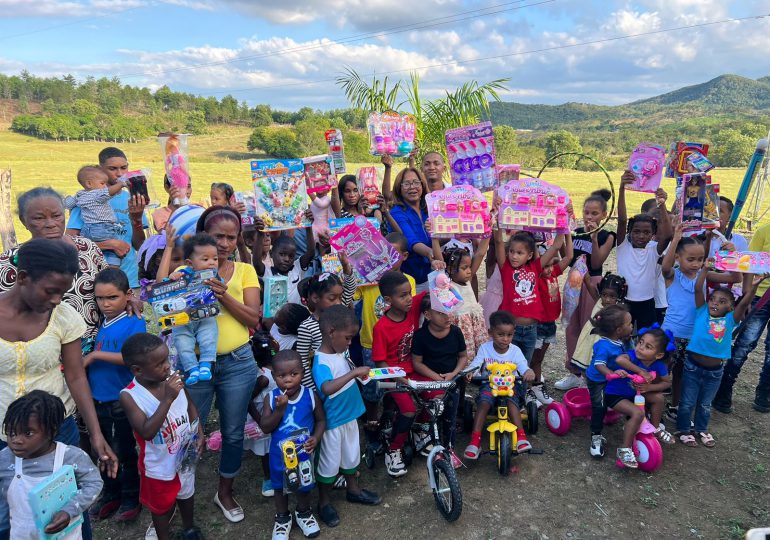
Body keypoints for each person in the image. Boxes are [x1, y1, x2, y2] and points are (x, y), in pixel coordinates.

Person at [0, 238, 118, 539]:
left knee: (66, 509)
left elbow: (76, 376)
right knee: (6, 514)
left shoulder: (63, 316)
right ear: (23, 278)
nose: (56, 300)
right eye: (50, 291)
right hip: (2, 437)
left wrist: (95, 433)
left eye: (62, 292)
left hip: (57, 430)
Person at [190, 206, 261, 522]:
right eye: (217, 236)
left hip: (238, 362)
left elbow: (253, 318)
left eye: (231, 237)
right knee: (190, 433)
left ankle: (225, 492)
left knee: (233, 433)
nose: (224, 243)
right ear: (203, 234)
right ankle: (178, 499)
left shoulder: (245, 270)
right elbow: (166, 312)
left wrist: (221, 295)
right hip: (195, 365)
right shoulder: (186, 271)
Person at [119, 333, 205, 540]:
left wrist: (198, 431)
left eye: (166, 359)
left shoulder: (171, 376)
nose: (167, 366)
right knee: (160, 507)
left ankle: (189, 529)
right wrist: (167, 398)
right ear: (137, 370)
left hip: (184, 453)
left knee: (186, 490)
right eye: (159, 364)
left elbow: (189, 404)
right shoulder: (130, 396)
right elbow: (147, 432)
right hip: (158, 466)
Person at [0, 187, 109, 344]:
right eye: (39, 218)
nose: (50, 224)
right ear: (24, 221)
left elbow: (110, 284)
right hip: (40, 352)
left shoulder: (87, 249)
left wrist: (129, 298)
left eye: (57, 216)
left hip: (94, 349)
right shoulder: (9, 262)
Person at [85, 268, 145, 523]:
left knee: (125, 451)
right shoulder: (97, 323)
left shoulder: (134, 320)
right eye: (100, 299)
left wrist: (95, 356)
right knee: (103, 451)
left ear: (127, 296)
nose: (105, 304)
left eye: (112, 298)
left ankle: (131, 496)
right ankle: (111, 493)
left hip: (121, 400)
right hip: (96, 398)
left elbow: (131, 357)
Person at [0, 391, 103, 539]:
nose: (16, 440)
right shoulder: (5, 458)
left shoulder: (70, 457)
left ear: (51, 431)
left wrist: (69, 510)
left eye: (28, 433)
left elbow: (93, 483)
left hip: (64, 535)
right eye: (11, 433)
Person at [313, 306, 381, 528]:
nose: (350, 343)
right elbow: (327, 388)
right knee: (329, 464)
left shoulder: (340, 352)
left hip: (350, 417)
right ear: (331, 332)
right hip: (333, 423)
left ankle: (353, 490)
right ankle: (323, 503)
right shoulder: (321, 360)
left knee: (352, 456)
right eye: (348, 338)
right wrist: (353, 373)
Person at [676, 270, 759, 447]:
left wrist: (755, 286)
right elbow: (698, 289)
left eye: (722, 302)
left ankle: (701, 429)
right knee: (687, 402)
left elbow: (744, 304)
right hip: (692, 366)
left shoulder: (731, 319)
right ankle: (684, 429)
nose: (715, 303)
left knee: (705, 404)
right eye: (713, 299)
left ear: (730, 307)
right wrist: (705, 270)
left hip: (715, 372)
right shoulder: (702, 312)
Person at [661, 227, 736, 421]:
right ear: (678, 257)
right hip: (671, 333)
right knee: (661, 371)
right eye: (691, 259)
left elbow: (735, 278)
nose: (696, 264)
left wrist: (731, 254)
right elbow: (665, 267)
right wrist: (676, 237)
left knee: (681, 374)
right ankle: (652, 406)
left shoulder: (704, 275)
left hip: (694, 336)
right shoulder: (673, 276)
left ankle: (675, 406)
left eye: (700, 259)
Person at [355, 232, 414, 454]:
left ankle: (389, 421)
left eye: (393, 252)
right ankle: (372, 426)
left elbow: (412, 308)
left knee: (394, 389)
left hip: (398, 348)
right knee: (373, 391)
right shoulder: (367, 280)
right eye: (383, 251)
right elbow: (350, 294)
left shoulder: (410, 282)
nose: (387, 257)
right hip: (371, 344)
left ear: (403, 255)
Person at [260, 350, 326, 539]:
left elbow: (321, 420)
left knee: (304, 484)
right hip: (279, 455)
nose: (288, 380)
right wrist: (279, 410)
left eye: (293, 374)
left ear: (303, 373)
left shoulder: (310, 396)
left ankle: (303, 513)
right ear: (274, 376)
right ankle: (282, 518)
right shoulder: (271, 398)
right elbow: (265, 427)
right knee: (279, 487)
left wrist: (316, 437)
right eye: (282, 376)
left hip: (303, 453)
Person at [556, 189, 616, 391]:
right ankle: (573, 372)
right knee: (572, 327)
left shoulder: (608, 236)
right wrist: (565, 226)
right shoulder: (578, 230)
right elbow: (568, 256)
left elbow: (598, 261)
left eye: (594, 213)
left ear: (604, 215)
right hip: (574, 282)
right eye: (586, 212)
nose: (589, 217)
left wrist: (594, 238)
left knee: (587, 328)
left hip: (593, 284)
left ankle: (587, 374)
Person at [66, 147, 148, 290]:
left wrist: (137, 220)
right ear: (101, 170)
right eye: (112, 168)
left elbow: (139, 246)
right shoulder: (87, 200)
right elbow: (69, 243)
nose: (120, 173)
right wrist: (110, 244)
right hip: (95, 282)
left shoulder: (132, 198)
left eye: (124, 168)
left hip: (130, 280)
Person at [371, 272, 427, 477]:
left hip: (414, 371)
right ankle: (393, 449)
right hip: (392, 377)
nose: (409, 299)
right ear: (388, 300)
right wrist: (400, 379)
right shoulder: (381, 328)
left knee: (434, 396)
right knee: (409, 409)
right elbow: (380, 362)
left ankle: (420, 432)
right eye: (403, 296)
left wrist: (438, 270)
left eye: (410, 293)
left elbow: (435, 290)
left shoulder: (411, 310)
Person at [714, 221, 770, 414]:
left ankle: (764, 392)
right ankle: (725, 389)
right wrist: (747, 297)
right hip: (760, 296)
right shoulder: (764, 231)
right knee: (745, 344)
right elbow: (749, 265)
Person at [464, 310, 534, 459]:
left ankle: (521, 437)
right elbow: (476, 365)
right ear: (491, 332)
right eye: (500, 334)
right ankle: (475, 441)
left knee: (512, 402)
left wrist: (528, 372)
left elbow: (523, 366)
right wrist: (470, 372)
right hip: (490, 385)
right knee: (483, 403)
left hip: (511, 385)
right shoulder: (485, 348)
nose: (505, 339)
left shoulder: (515, 351)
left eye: (509, 335)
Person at [604, 327, 675, 466]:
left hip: (635, 394)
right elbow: (620, 360)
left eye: (648, 346)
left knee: (658, 398)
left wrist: (650, 388)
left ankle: (655, 429)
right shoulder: (632, 356)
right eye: (640, 342)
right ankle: (625, 449)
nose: (640, 348)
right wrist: (641, 371)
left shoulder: (659, 365)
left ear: (659, 355)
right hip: (615, 395)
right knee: (637, 414)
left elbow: (667, 382)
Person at [411, 295, 468, 468]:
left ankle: (449, 448)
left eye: (449, 309)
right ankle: (428, 438)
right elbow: (417, 362)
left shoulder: (456, 332)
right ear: (428, 315)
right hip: (430, 380)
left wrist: (453, 374)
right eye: (442, 312)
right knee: (433, 412)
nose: (448, 315)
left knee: (451, 415)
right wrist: (436, 377)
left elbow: (463, 357)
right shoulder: (421, 336)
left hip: (452, 380)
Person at [157, 232, 220, 386]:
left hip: (205, 315)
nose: (212, 263)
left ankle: (206, 365)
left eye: (215, 259)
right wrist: (172, 277)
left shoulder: (214, 277)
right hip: (182, 319)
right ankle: (192, 369)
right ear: (190, 263)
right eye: (205, 259)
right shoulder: (183, 274)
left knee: (209, 337)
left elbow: (221, 289)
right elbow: (163, 284)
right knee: (182, 343)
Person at [494, 229, 565, 366]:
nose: (514, 256)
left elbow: (556, 246)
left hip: (532, 330)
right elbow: (498, 242)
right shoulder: (506, 268)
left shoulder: (535, 267)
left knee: (524, 366)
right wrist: (496, 219)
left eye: (520, 253)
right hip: (510, 330)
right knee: (507, 367)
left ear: (529, 255)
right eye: (512, 251)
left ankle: (523, 388)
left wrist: (563, 223)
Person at [614, 171, 673, 330]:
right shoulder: (623, 246)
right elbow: (621, 220)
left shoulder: (654, 249)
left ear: (653, 234)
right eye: (636, 231)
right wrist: (621, 188)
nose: (641, 236)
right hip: (624, 302)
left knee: (647, 339)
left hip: (647, 303)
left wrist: (662, 204)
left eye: (647, 232)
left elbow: (667, 235)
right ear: (629, 232)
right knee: (621, 338)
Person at [584, 304, 634, 463]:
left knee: (630, 395)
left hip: (612, 377)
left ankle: (632, 425)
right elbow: (599, 365)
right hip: (598, 380)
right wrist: (611, 374)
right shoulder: (605, 346)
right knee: (600, 405)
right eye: (629, 324)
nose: (632, 326)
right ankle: (595, 436)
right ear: (619, 330)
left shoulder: (620, 340)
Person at [295, 271, 356, 390]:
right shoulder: (307, 327)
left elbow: (351, 288)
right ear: (315, 298)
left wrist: (347, 270)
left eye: (340, 297)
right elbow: (303, 363)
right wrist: (316, 392)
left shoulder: (338, 310)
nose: (338, 302)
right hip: (324, 385)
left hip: (346, 379)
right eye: (332, 298)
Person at [530, 237, 573, 405]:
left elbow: (568, 257)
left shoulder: (554, 272)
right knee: (533, 359)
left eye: (549, 265)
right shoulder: (535, 276)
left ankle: (535, 386)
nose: (548, 269)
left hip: (549, 324)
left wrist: (567, 233)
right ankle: (532, 388)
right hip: (537, 324)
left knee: (539, 359)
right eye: (544, 265)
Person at [432, 237, 490, 362]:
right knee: (465, 355)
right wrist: (434, 239)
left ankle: (479, 373)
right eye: (464, 268)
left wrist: (487, 233)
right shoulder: (447, 283)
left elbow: (480, 253)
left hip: (476, 324)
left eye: (469, 267)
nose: (469, 271)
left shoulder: (468, 280)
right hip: (461, 327)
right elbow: (440, 261)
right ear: (450, 269)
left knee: (480, 353)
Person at [63, 166, 131, 266]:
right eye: (102, 184)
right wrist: (122, 183)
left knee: (103, 252)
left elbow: (69, 204)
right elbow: (108, 192)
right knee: (113, 250)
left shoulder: (79, 195)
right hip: (101, 228)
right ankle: (113, 267)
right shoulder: (96, 195)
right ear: (89, 184)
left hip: (90, 229)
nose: (105, 187)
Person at [386, 168, 436, 292]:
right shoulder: (396, 212)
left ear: (422, 185)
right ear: (399, 188)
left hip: (433, 275)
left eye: (416, 182)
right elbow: (410, 240)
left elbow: (440, 238)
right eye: (406, 184)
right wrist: (430, 252)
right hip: (410, 282)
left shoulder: (429, 209)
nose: (412, 187)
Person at [570, 273, 628, 372]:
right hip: (591, 340)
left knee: (602, 364)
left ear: (619, 296)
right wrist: (583, 268)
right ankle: (588, 382)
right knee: (587, 362)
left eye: (612, 296)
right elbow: (588, 282)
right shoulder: (599, 300)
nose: (607, 299)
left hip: (605, 344)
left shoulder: (618, 311)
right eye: (604, 295)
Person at [254, 232, 316, 306]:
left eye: (291, 256)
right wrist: (260, 235)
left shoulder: (297, 267)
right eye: (282, 254)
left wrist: (308, 227)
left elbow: (311, 252)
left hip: (297, 315)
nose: (286, 259)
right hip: (275, 316)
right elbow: (256, 262)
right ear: (271, 253)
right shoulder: (267, 272)